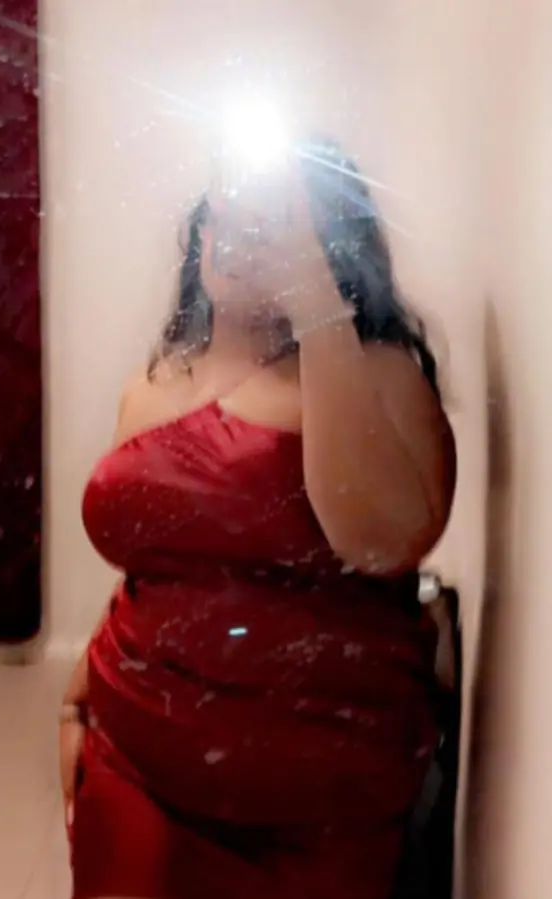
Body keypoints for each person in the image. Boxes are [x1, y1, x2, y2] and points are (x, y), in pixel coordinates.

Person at [60, 138, 457, 899]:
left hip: (314, 804)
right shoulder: (153, 384)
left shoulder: (378, 374)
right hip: (131, 758)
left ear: (327, 241)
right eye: (222, 211)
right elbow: (159, 572)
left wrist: (315, 306)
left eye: (271, 218)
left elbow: (381, 542)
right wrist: (76, 705)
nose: (236, 232)